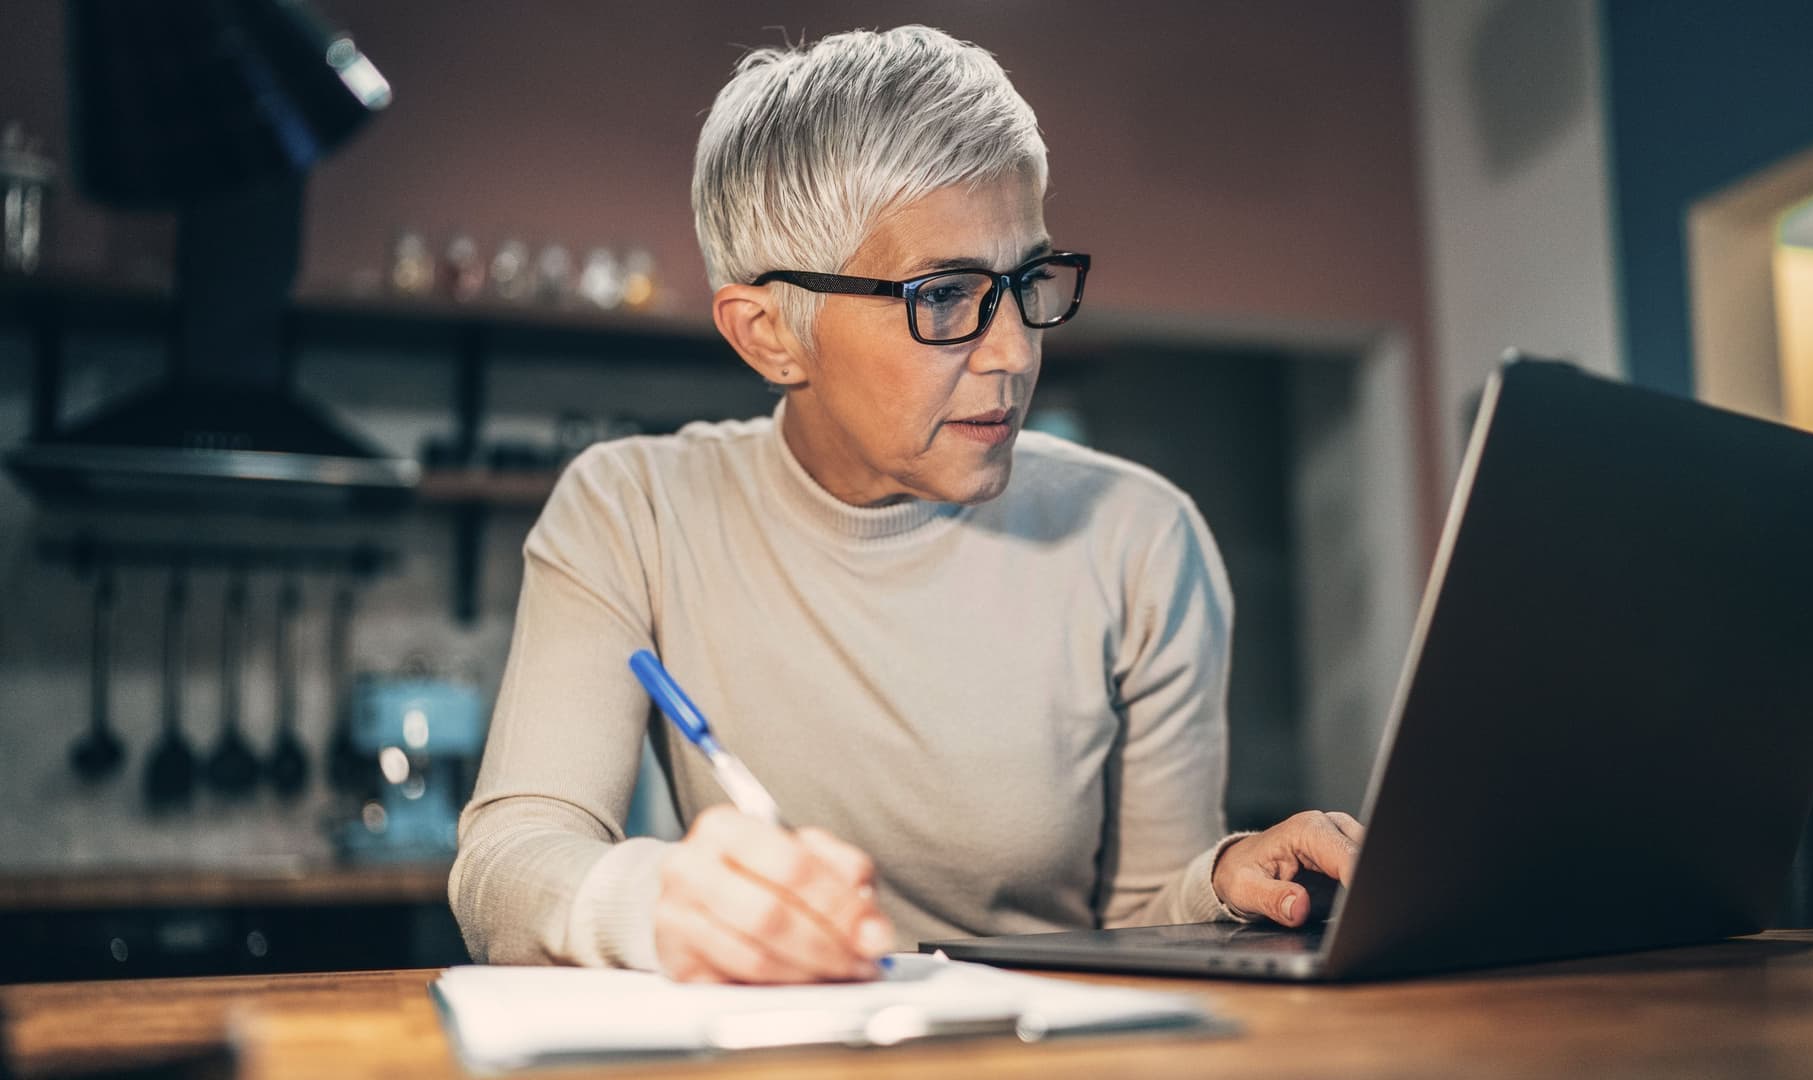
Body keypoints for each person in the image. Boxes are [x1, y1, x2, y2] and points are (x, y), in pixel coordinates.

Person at [450, 24, 1366, 985]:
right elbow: (508, 862)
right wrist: (657, 902)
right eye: (944, 296)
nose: (1015, 352)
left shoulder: (1141, 538)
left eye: (1027, 282)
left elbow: (1142, 919)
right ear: (770, 336)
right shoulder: (630, 509)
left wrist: (1224, 880)